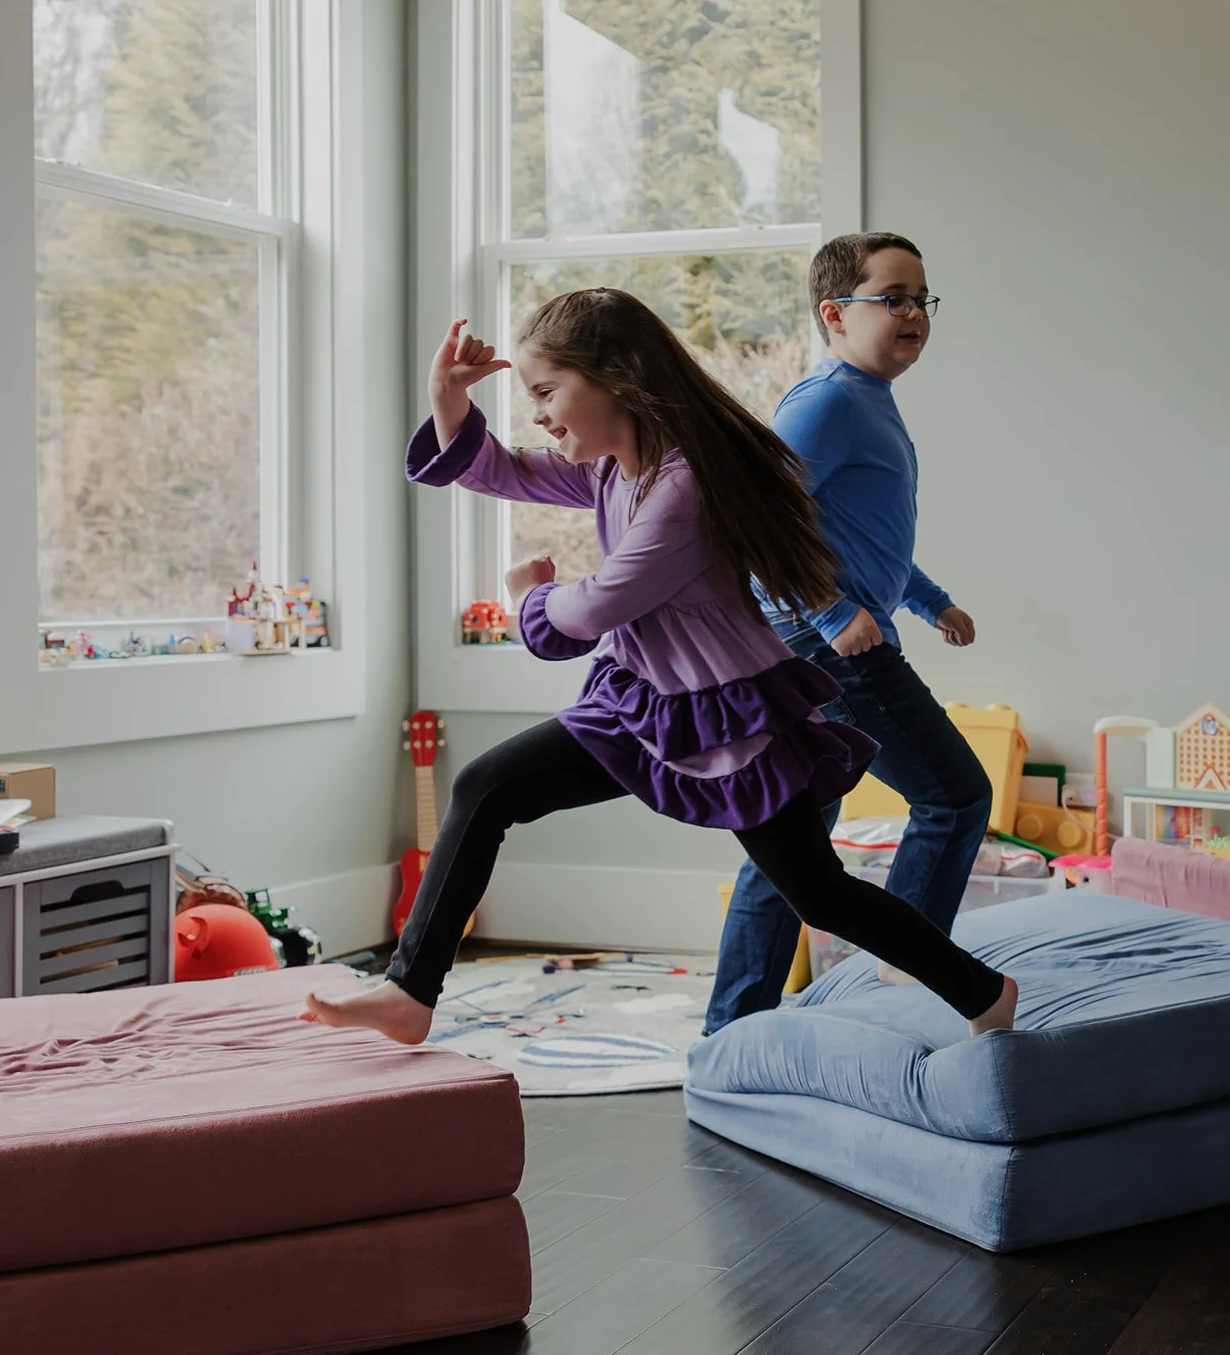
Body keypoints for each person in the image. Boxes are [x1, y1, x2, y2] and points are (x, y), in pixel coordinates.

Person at [302, 289, 1016, 1044]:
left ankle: (983, 993)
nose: (539, 414)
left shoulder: (684, 485)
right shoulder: (615, 468)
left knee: (820, 894)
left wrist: (531, 597)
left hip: (729, 712)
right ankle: (411, 993)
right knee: (486, 787)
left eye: (548, 392)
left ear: (617, 377)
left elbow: (602, 602)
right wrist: (446, 396)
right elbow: (503, 471)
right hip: (640, 701)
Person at [705, 232, 993, 1034]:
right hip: (824, 648)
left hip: (817, 640)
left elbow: (865, 535)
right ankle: (906, 966)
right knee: (956, 795)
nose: (913, 313)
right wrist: (832, 613)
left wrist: (929, 600)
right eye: (892, 297)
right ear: (834, 313)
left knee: (793, 851)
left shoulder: (868, 397)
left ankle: (730, 1034)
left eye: (921, 298)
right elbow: (755, 522)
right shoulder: (827, 400)